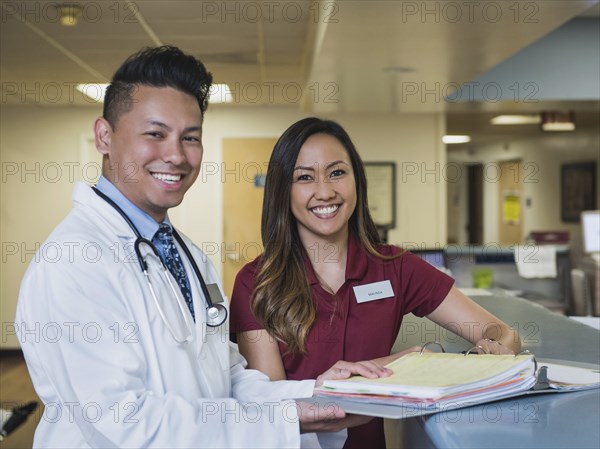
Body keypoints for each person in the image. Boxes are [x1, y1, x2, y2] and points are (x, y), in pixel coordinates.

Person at [15, 47, 392, 448]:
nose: (176, 155)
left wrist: (315, 397)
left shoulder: (187, 255)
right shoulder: (74, 262)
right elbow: (124, 421)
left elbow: (223, 380)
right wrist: (287, 420)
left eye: (190, 137)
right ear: (104, 136)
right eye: (155, 134)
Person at [229, 117, 522, 449]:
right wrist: (398, 363)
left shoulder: (394, 267)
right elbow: (275, 408)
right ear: (284, 190)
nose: (325, 191)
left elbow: (503, 333)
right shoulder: (256, 282)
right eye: (305, 177)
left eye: (337, 172)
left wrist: (489, 353)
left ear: (357, 181)